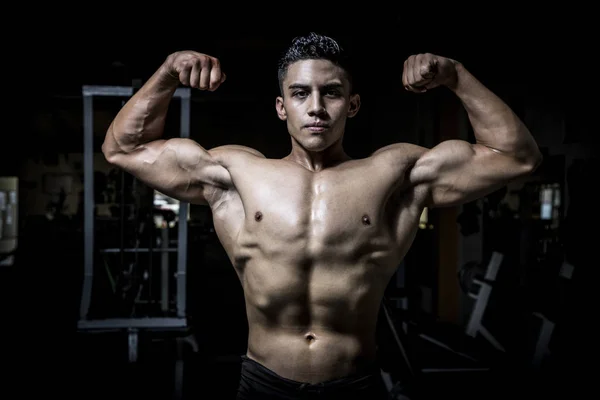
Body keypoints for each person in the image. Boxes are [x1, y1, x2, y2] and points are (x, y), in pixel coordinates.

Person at [101, 32, 543, 399]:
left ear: (352, 105)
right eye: (300, 93)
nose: (316, 106)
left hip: (355, 385)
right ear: (281, 107)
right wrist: (166, 73)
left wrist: (457, 76)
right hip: (264, 385)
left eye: (331, 92)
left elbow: (515, 156)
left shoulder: (394, 173)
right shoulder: (237, 174)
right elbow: (123, 148)